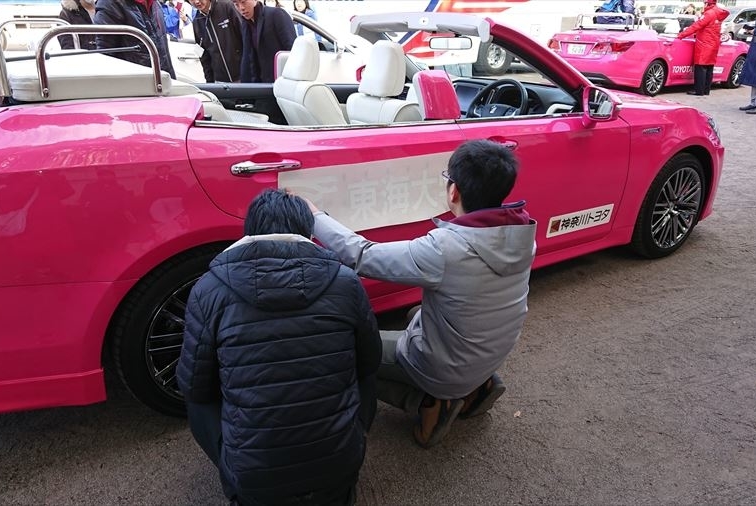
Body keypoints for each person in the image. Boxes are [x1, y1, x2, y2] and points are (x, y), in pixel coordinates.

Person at [304, 140, 537, 448]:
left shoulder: (445, 249)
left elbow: (363, 256)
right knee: (416, 313)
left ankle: (430, 402)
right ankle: (478, 387)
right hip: (493, 351)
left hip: (446, 367)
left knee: (345, 350)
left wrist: (315, 216)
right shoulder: (522, 232)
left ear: (453, 191)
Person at [176, 188, 381, 506]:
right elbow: (371, 360)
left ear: (249, 232)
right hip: (341, 465)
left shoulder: (208, 289)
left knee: (197, 393)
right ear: (308, 233)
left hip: (254, 481)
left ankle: (238, 475)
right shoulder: (346, 282)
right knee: (364, 371)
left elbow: (194, 386)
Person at [93, 0, 177, 79]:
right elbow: (105, 58)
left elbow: (164, 53)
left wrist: (172, 82)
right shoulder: (110, 4)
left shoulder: (155, 4)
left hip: (159, 82)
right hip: (133, 84)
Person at [232, 0, 296, 83]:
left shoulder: (276, 14)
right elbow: (248, 58)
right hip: (260, 84)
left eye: (244, 2)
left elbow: (292, 50)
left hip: (281, 81)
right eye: (236, 5)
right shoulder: (246, 24)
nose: (241, 8)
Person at [676, 0, 729, 96]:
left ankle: (699, 90)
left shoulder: (709, 13)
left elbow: (696, 26)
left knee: (701, 67)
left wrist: (681, 35)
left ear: (707, 3)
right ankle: (706, 90)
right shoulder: (718, 13)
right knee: (709, 67)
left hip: (704, 44)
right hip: (713, 43)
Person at [189, 0, 242, 82]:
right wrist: (210, 82)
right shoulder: (197, 21)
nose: (196, 1)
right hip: (221, 82)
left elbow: (246, 38)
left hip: (242, 76)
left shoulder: (227, 7)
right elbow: (204, 56)